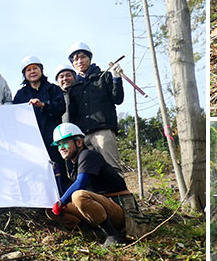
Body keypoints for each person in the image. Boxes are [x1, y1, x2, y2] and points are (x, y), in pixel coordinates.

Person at [48, 123, 139, 247]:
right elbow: (66, 191)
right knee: (50, 209)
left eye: (64, 143)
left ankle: (112, 235)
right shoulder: (74, 165)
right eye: (58, 145)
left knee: (79, 196)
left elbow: (80, 184)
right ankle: (94, 231)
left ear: (79, 142)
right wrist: (58, 176)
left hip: (120, 209)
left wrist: (61, 203)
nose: (60, 148)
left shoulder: (88, 155)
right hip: (101, 209)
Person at [65, 42, 126, 174]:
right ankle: (99, 195)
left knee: (112, 166)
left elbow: (118, 99)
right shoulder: (74, 87)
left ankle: (122, 195)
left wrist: (117, 78)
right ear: (73, 64)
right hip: (83, 135)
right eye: (75, 59)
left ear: (89, 58)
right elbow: (73, 114)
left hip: (103, 130)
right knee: (92, 171)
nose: (79, 61)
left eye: (82, 57)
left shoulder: (103, 76)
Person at [13, 56, 66, 168]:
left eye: (35, 68)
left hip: (53, 139)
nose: (32, 72)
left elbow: (60, 108)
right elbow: (15, 117)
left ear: (41, 70)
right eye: (28, 70)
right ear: (24, 74)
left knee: (58, 170)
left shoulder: (54, 89)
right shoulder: (21, 95)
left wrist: (43, 105)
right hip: (32, 142)